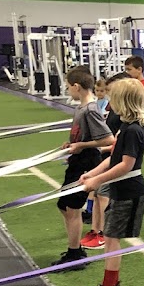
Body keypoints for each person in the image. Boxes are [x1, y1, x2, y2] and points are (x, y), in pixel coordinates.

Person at [77, 78, 144, 286]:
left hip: (129, 191)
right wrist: (92, 174)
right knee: (110, 238)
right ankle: (111, 285)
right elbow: (113, 158)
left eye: (113, 99)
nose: (109, 103)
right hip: (121, 190)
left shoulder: (133, 130)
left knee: (110, 239)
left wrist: (97, 180)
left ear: (123, 102)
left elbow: (126, 165)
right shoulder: (126, 128)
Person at [51, 68, 113, 268]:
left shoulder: (90, 109)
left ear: (76, 86)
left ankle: (75, 254)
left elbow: (108, 139)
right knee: (64, 205)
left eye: (68, 86)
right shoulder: (81, 108)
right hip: (77, 160)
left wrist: (81, 146)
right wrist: (71, 144)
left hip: (86, 162)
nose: (68, 90)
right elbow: (82, 135)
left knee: (72, 208)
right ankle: (75, 249)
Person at [81, 72, 126, 250]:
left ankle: (103, 234)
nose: (107, 93)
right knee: (98, 193)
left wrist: (103, 148)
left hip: (116, 160)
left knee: (104, 195)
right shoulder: (113, 109)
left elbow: (119, 142)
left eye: (110, 90)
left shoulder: (126, 116)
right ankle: (95, 231)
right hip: (107, 157)